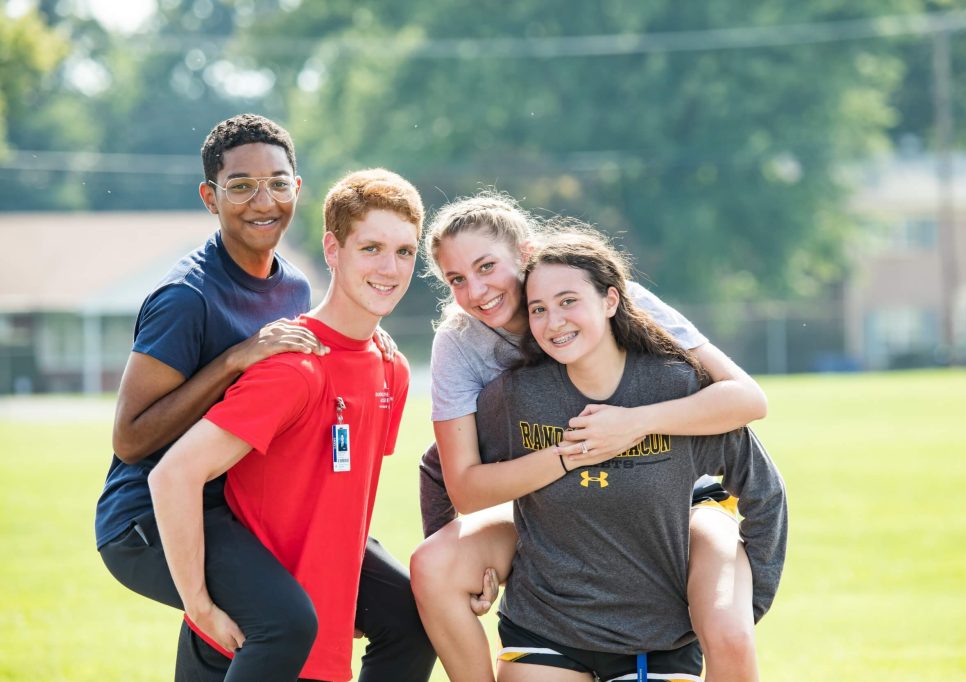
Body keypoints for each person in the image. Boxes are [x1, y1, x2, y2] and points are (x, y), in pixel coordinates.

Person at [94, 115, 433, 681]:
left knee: (408, 610)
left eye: (277, 182)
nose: (263, 199)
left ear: (297, 189)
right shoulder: (186, 297)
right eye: (242, 185)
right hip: (147, 516)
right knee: (283, 621)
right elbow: (131, 442)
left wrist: (368, 340)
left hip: (231, 501)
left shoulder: (293, 286)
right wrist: (234, 359)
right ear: (211, 196)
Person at [411, 193, 769, 681]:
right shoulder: (463, 344)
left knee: (727, 630)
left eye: (487, 266)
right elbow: (447, 468)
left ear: (524, 252)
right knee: (434, 564)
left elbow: (747, 399)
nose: (477, 291)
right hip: (554, 497)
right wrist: (467, 566)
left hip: (668, 494)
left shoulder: (615, 298)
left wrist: (634, 422)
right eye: (457, 280)